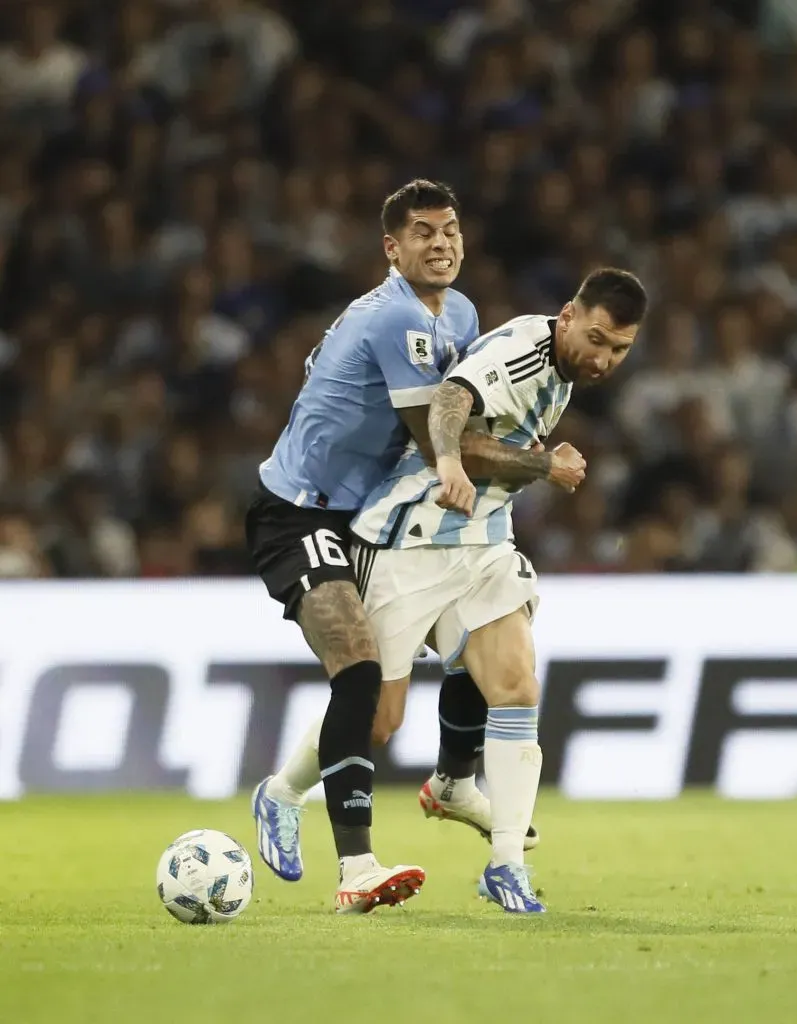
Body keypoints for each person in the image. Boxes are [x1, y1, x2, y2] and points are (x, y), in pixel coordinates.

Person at [259, 267, 648, 913]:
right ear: (567, 317)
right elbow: (448, 402)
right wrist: (525, 462)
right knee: (377, 721)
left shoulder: (563, 369)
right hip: (406, 541)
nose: (603, 359)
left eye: (619, 349)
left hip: (482, 543)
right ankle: (281, 793)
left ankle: (505, 864)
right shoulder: (520, 352)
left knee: (516, 685)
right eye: (597, 339)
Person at [246, 179, 560, 913]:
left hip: (372, 519)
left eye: (449, 230)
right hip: (300, 514)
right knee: (359, 674)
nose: (440, 243)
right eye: (422, 232)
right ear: (392, 249)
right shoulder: (395, 318)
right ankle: (353, 864)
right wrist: (539, 462)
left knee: (404, 701)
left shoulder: (462, 313)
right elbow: (436, 441)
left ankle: (427, 783)